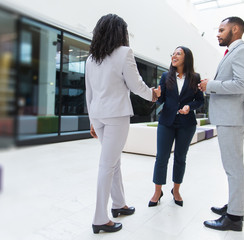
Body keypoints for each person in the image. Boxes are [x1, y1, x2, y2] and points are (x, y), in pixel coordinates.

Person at [85, 14, 161, 234]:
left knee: (113, 162)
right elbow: (136, 85)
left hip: (98, 116)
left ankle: (119, 205)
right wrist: (153, 95)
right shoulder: (124, 53)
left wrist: (92, 120)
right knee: (107, 165)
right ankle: (100, 218)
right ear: (120, 32)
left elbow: (89, 94)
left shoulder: (92, 59)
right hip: (116, 116)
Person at [198, 16, 244, 231]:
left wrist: (210, 85)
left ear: (236, 29)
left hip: (232, 119)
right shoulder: (233, 52)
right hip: (228, 118)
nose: (218, 33)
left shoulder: (243, 52)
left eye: (222, 29)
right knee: (233, 167)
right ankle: (234, 205)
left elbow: (241, 84)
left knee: (233, 168)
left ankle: (234, 217)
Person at [149, 46, 204, 207]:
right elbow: (161, 99)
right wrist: (157, 96)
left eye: (178, 53)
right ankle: (157, 191)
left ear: (186, 58)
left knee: (180, 158)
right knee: (161, 158)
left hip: (186, 124)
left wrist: (189, 107)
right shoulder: (166, 76)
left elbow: (200, 100)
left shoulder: (195, 77)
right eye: (173, 53)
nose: (174, 56)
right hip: (167, 122)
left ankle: (176, 190)